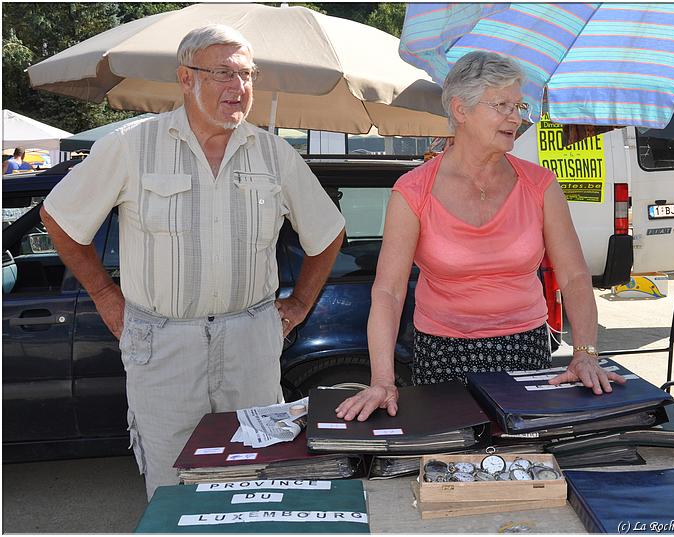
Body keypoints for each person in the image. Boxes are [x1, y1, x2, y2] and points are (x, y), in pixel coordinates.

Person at [40, 24, 345, 499]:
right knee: (173, 482)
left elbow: (327, 233)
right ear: (186, 78)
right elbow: (58, 217)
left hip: (250, 340)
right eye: (224, 73)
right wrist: (104, 294)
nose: (239, 88)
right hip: (163, 341)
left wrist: (302, 301)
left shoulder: (275, 153)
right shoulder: (131, 146)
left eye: (247, 75)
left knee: (256, 475)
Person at [336, 51, 625, 423]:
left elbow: (573, 275)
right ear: (460, 109)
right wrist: (381, 380)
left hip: (525, 345)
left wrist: (585, 352)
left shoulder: (540, 184)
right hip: (443, 350)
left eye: (518, 105)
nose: (516, 117)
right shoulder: (413, 191)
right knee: (452, 464)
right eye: (502, 105)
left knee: (524, 461)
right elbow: (389, 292)